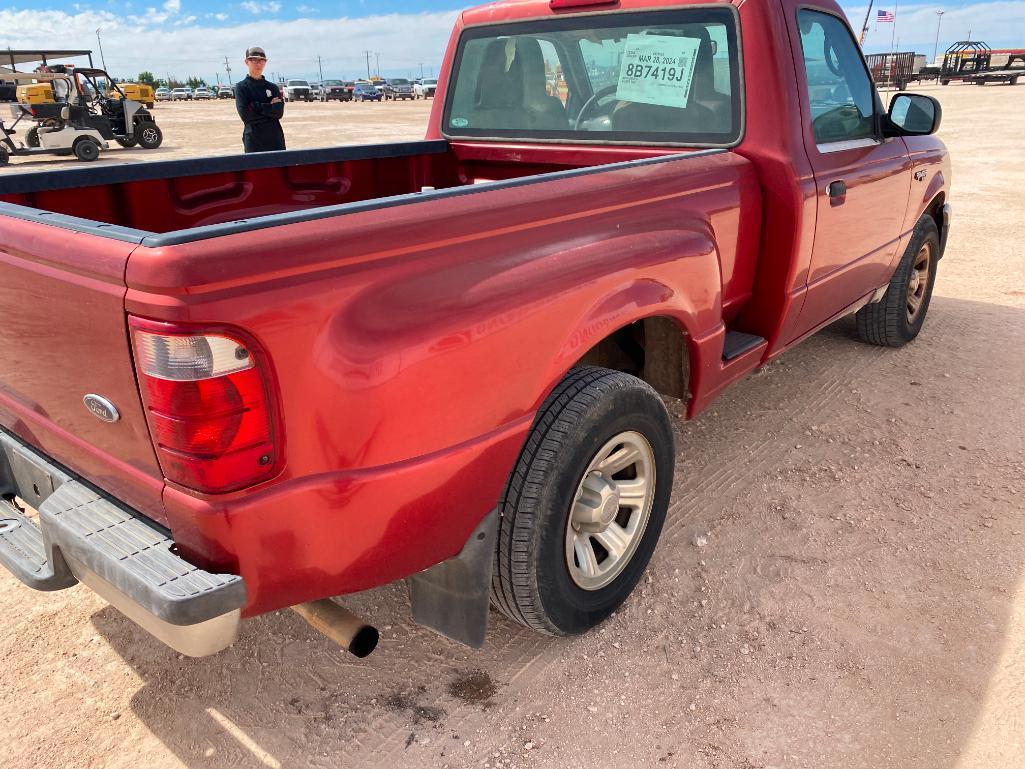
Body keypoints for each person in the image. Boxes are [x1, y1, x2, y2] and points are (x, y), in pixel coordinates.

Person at [234, 46, 286, 153]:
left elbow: (279, 113)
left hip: (276, 140)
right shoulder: (241, 87)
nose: (259, 63)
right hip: (254, 141)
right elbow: (246, 116)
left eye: (262, 60)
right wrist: (270, 108)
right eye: (254, 60)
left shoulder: (273, 87)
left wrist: (255, 106)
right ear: (246, 62)